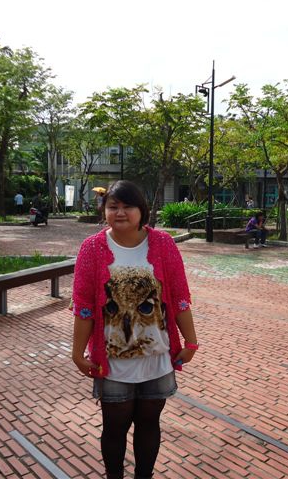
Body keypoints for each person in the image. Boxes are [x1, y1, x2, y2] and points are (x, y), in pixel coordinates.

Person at [71, 180, 198, 479]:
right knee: (114, 426)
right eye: (113, 206)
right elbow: (84, 307)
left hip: (157, 357)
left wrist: (190, 342)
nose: (120, 212)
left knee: (149, 423)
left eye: (128, 206)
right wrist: (77, 353)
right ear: (104, 210)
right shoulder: (92, 248)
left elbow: (179, 298)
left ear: (142, 210)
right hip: (113, 361)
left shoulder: (163, 244)